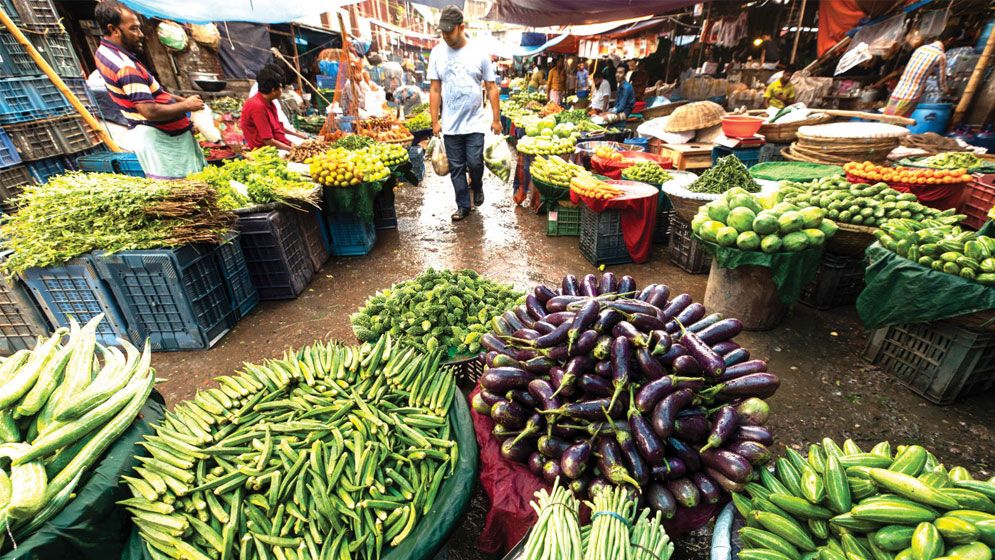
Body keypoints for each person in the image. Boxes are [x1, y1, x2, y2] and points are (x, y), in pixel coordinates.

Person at [93, 0, 206, 179]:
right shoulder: (125, 67)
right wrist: (187, 106)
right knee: (188, 194)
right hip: (164, 143)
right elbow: (150, 111)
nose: (141, 34)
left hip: (160, 138)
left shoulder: (104, 53)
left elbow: (154, 94)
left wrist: (183, 101)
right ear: (113, 29)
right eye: (133, 29)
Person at [428, 5, 502, 221]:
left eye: (449, 31)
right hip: (450, 125)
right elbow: (434, 89)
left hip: (475, 123)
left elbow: (491, 87)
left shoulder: (479, 52)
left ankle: (477, 184)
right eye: (442, 31)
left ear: (462, 27)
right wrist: (435, 121)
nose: (445, 36)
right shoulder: (436, 52)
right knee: (457, 168)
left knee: (475, 163)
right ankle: (463, 206)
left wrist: (496, 119)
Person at [884, 28, 956, 117]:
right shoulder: (940, 56)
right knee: (898, 123)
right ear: (950, 40)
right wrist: (948, 91)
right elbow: (941, 83)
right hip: (911, 95)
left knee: (886, 120)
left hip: (898, 92)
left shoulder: (921, 49)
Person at [242, 65, 307, 151]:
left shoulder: (270, 103)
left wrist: (298, 135)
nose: (281, 90)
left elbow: (277, 127)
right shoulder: (258, 107)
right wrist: (292, 149)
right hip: (264, 150)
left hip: (277, 142)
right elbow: (268, 141)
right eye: (280, 87)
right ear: (273, 91)